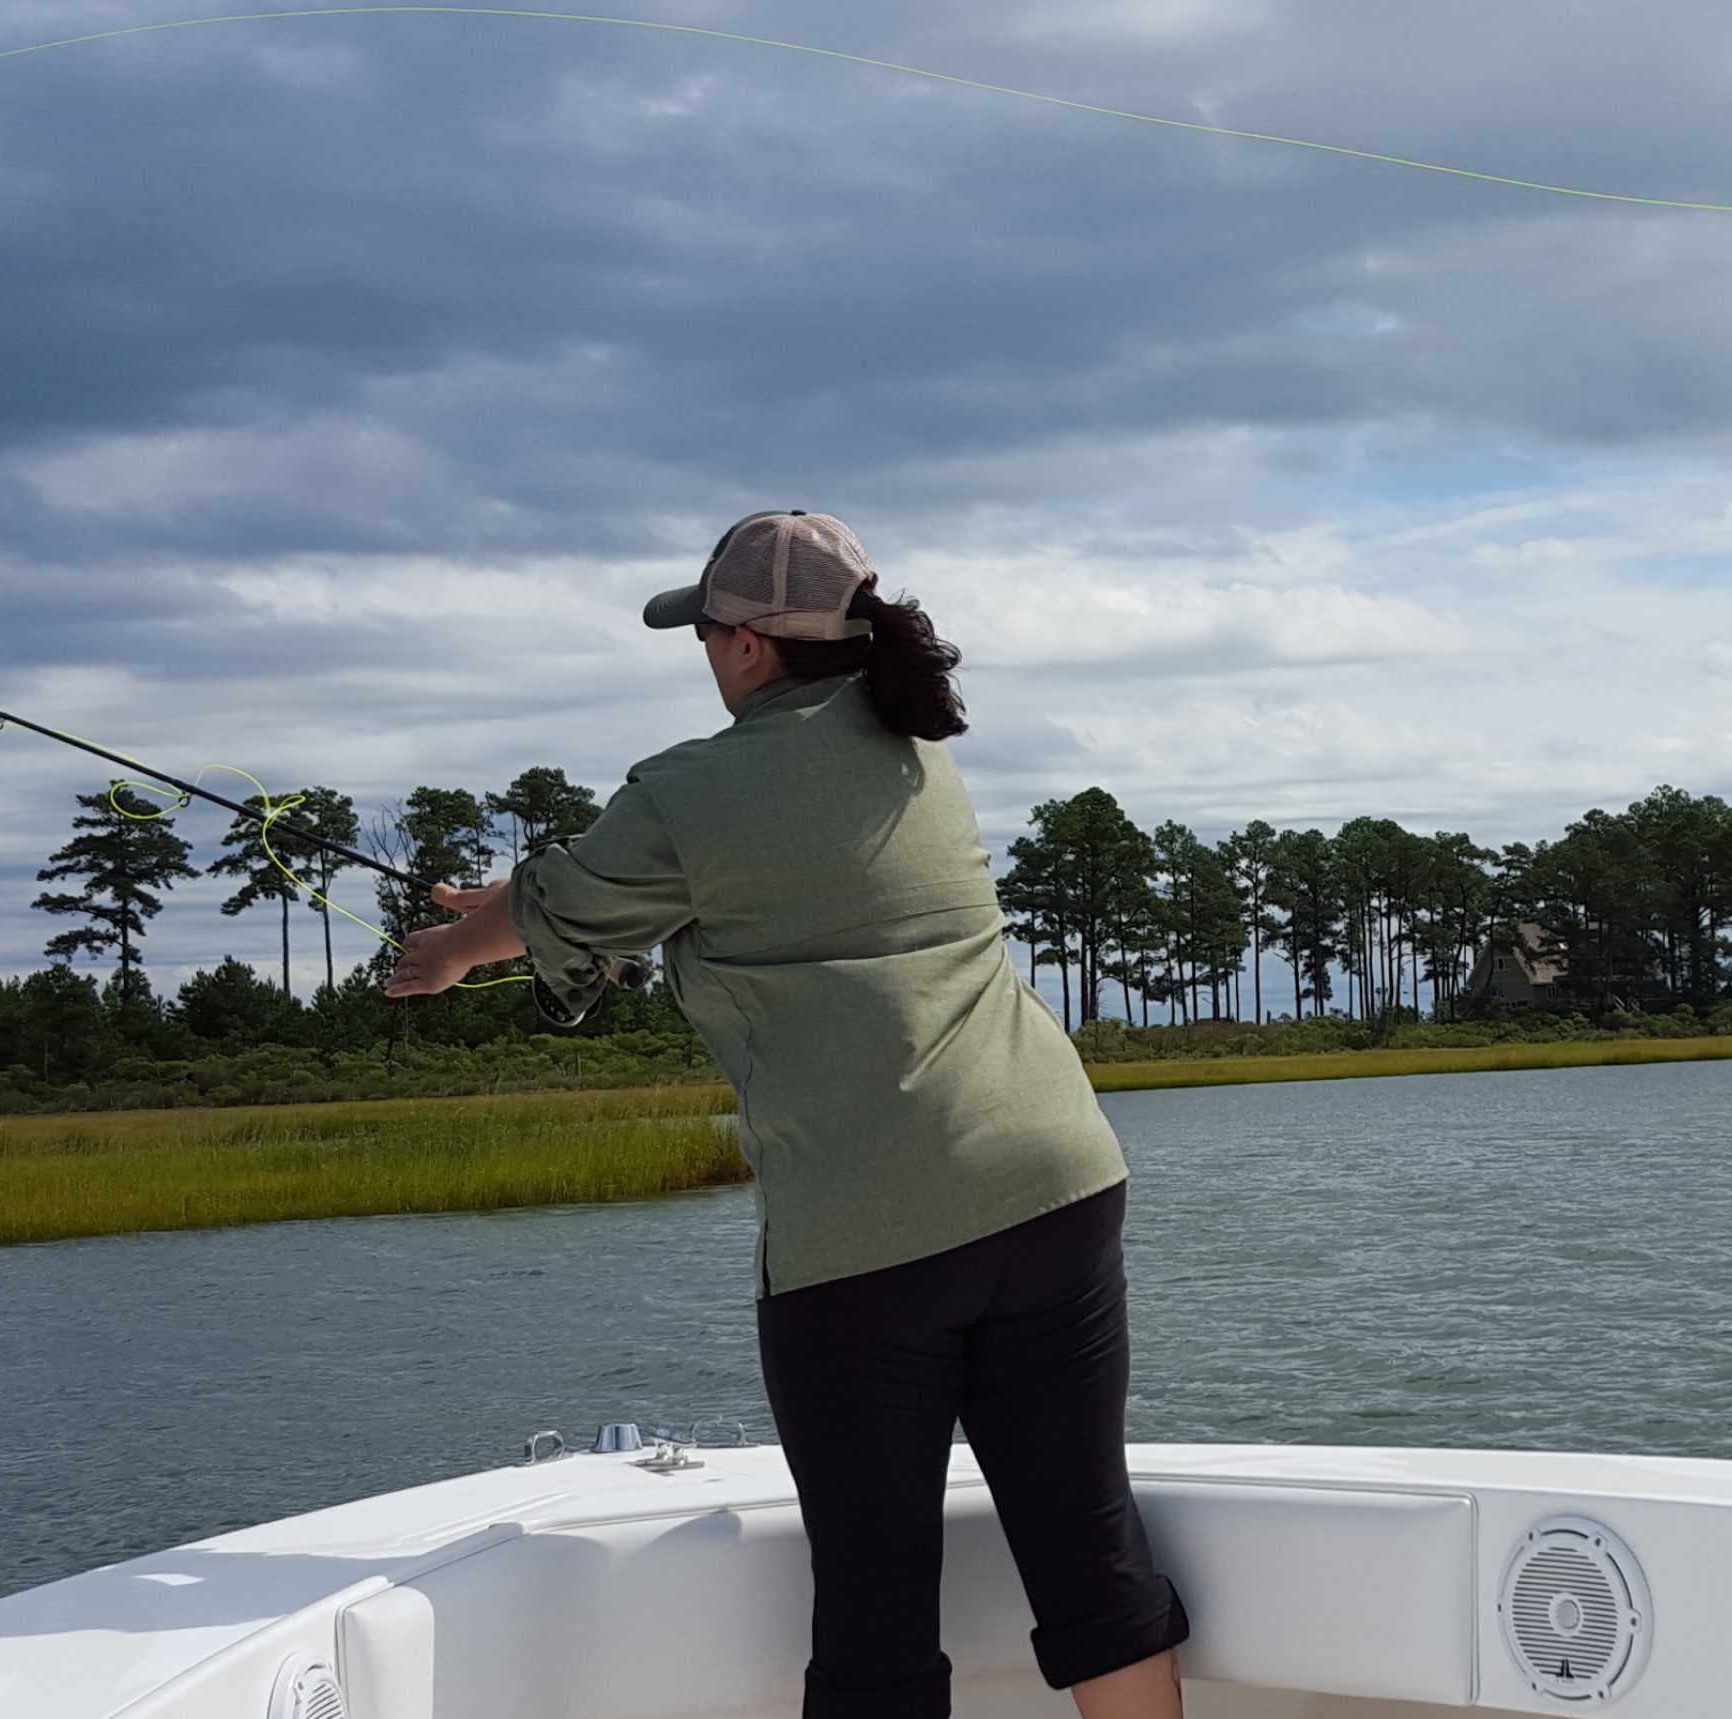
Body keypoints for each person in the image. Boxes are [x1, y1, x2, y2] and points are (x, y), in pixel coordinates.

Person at [385, 510, 1189, 1719]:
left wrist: (450, 950)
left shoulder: (690, 790)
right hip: (1056, 1182)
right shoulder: (918, 745)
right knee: (1088, 1547)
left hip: (868, 1235)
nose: (703, 652)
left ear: (751, 646)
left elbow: (615, 882)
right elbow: (681, 874)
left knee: (874, 1601)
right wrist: (527, 901)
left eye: (706, 630)